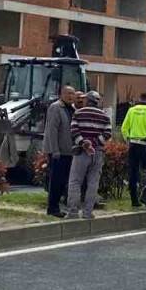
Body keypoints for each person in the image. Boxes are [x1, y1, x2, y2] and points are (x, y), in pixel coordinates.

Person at [67, 90, 111, 219]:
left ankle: (73, 212)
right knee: (93, 183)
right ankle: (87, 212)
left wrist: (84, 143)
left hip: (81, 152)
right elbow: (107, 133)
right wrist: (94, 142)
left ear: (88, 101)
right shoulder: (104, 116)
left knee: (75, 181)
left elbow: (74, 130)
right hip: (97, 152)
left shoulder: (78, 113)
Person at [42, 85, 77, 218]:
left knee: (63, 181)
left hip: (69, 151)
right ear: (61, 94)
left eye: (72, 94)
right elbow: (52, 130)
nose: (70, 96)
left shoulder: (71, 109)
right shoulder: (56, 107)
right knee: (56, 181)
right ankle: (52, 208)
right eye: (68, 93)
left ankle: (58, 206)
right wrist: (55, 150)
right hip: (58, 152)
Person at [122, 92, 146, 209]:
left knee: (133, 172)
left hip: (133, 144)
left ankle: (134, 200)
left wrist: (127, 139)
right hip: (145, 145)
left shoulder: (131, 110)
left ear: (140, 98)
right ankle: (145, 194)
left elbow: (124, 128)